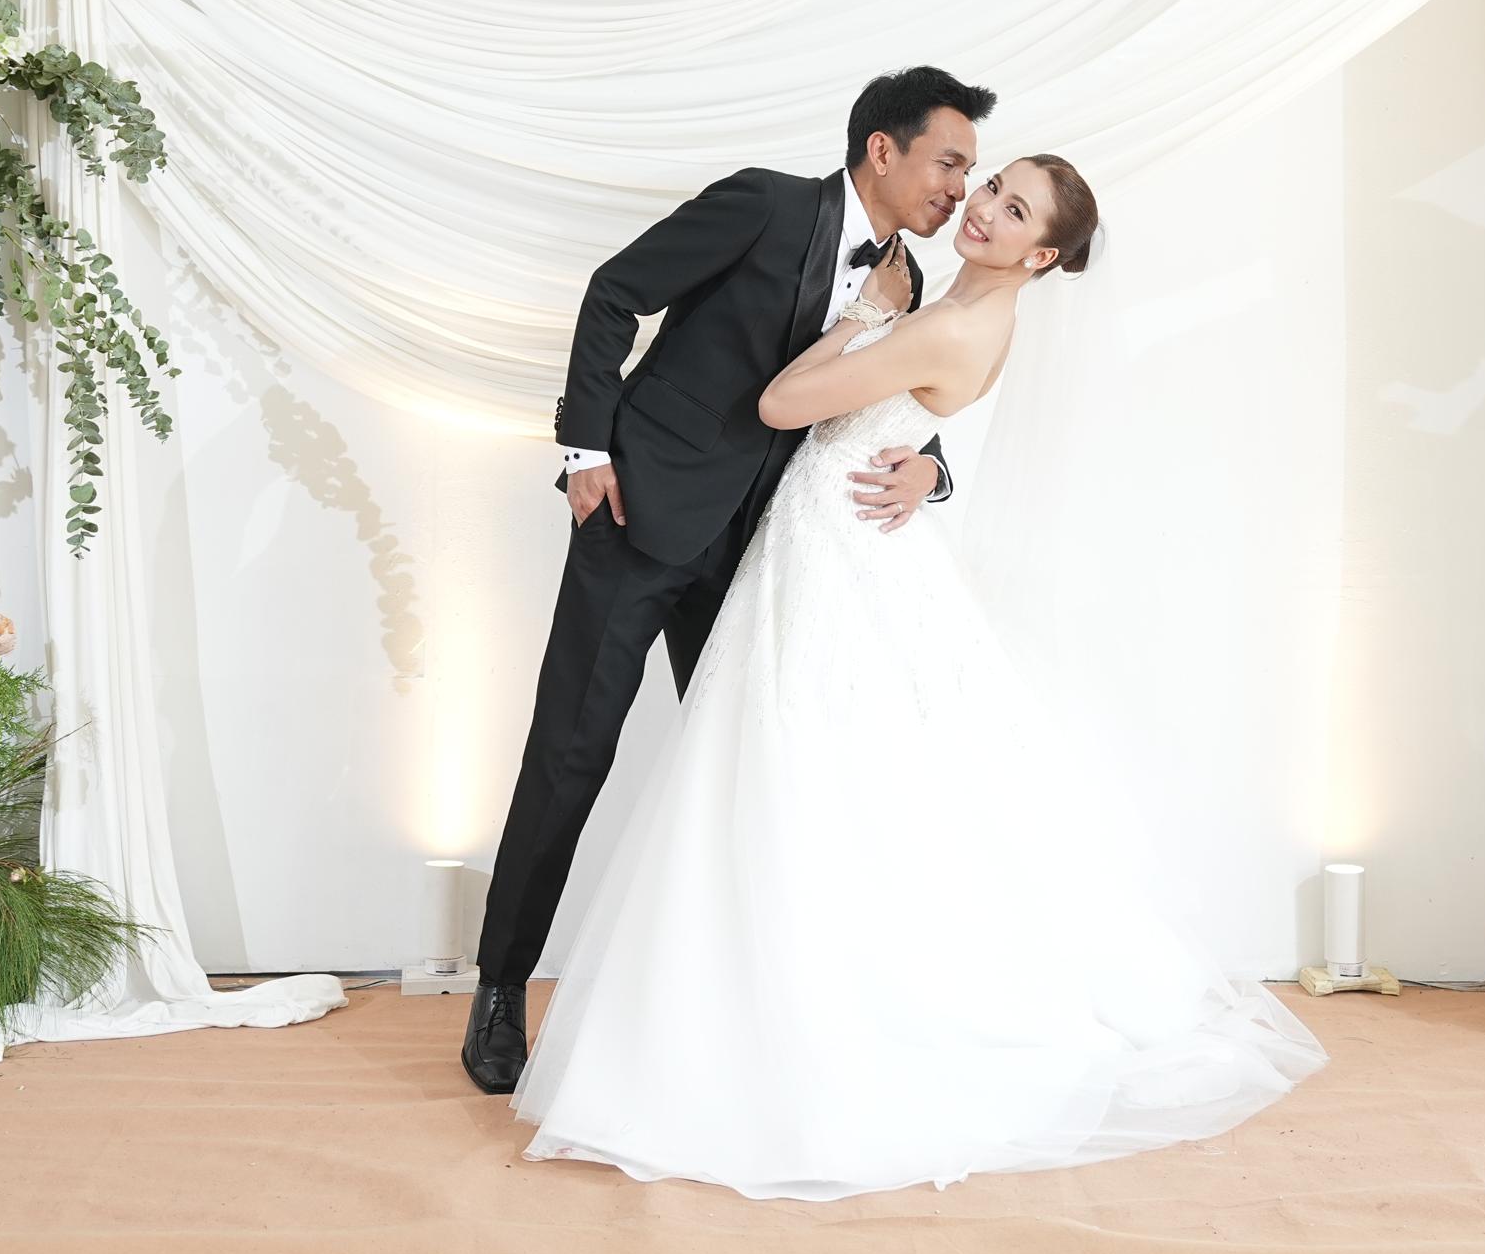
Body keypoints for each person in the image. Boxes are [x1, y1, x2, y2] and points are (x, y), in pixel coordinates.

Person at [509, 154, 1327, 1199]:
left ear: (1041, 256)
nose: (980, 206)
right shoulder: (959, 310)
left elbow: (785, 401)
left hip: (830, 552)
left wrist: (864, 316)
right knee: (854, 777)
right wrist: (929, 458)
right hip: (831, 545)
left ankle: (808, 1010)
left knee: (807, 775)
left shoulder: (941, 319)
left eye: (1013, 209)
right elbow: (914, 413)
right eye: (990, 185)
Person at [459, 68, 996, 1096]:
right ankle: (498, 988)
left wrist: (931, 472)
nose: (957, 190)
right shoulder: (764, 203)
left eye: (969, 172)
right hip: (639, 520)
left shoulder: (909, 283)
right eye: (948, 162)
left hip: (765, 557)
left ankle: (740, 1011)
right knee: (570, 754)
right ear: (883, 149)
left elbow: (884, 404)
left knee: (759, 771)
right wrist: (586, 451)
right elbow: (615, 291)